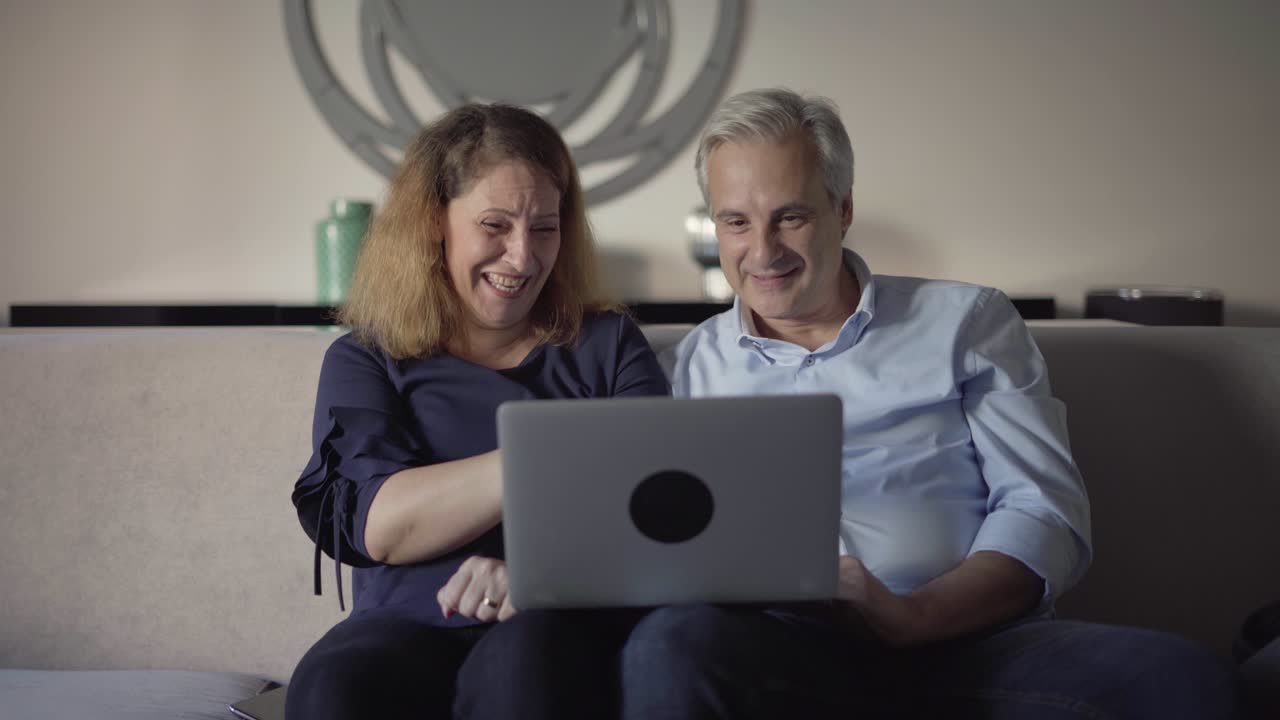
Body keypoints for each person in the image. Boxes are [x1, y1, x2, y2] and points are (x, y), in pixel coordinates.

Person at [663, 88, 1242, 718]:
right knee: (673, 646)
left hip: (970, 641)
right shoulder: (692, 365)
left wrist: (915, 616)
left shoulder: (967, 322)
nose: (763, 250)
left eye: (791, 216)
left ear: (843, 208)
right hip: (781, 652)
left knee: (1176, 678)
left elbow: (1042, 511)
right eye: (736, 221)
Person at [286, 103, 669, 719]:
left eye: (544, 228)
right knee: (334, 690)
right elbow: (381, 525)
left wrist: (538, 580)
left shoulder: (608, 345)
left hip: (556, 622)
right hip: (401, 624)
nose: (522, 258)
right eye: (496, 225)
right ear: (435, 222)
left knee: (523, 674)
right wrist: (551, 455)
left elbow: (655, 512)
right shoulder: (368, 359)